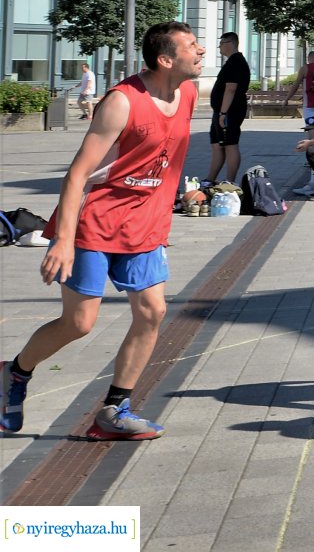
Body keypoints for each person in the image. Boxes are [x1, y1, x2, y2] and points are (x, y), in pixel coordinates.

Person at [2, 22, 202, 440]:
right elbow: (76, 174)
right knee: (79, 323)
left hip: (145, 225)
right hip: (96, 221)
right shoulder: (122, 102)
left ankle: (115, 410)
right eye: (191, 46)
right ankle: (14, 374)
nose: (200, 50)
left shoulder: (187, 93)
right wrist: (62, 240)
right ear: (165, 60)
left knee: (153, 312)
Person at [207, 32, 250, 185]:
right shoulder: (231, 61)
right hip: (220, 110)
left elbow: (230, 89)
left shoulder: (236, 62)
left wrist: (223, 113)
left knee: (230, 144)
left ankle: (230, 181)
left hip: (229, 111)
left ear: (230, 43)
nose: (219, 47)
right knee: (217, 145)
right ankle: (210, 179)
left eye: (221, 43)